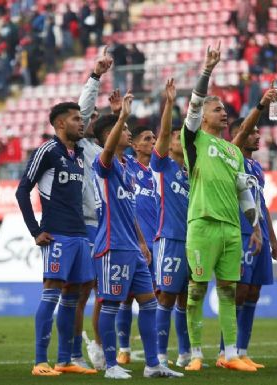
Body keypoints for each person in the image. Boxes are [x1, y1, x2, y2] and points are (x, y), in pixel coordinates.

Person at [180, 42, 261, 372]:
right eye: (218, 109)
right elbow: (195, 104)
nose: (224, 113)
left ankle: (230, 355)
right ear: (203, 117)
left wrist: (254, 225)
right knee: (197, 290)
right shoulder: (194, 139)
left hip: (231, 229)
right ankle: (195, 353)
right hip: (202, 222)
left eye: (225, 110)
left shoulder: (234, 152)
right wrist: (207, 70)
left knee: (228, 291)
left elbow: (244, 192)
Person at [91, 93, 181, 379]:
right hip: (112, 244)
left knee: (149, 303)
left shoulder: (129, 167)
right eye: (125, 130)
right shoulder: (103, 163)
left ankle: (153, 364)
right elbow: (107, 151)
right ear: (110, 135)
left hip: (133, 245)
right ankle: (110, 365)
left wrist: (142, 241)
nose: (129, 134)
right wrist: (121, 117)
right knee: (112, 303)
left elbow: (130, 210)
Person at [15, 102, 97, 376]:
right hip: (57, 234)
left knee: (72, 297)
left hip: (79, 233)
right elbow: (22, 191)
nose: (81, 123)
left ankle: (65, 360)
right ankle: (40, 361)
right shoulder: (47, 151)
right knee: (51, 293)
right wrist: (35, 230)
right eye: (76, 119)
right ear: (60, 123)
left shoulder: (80, 153)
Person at [217, 89, 277, 369]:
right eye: (253, 132)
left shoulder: (257, 168)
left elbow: (262, 204)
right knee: (239, 292)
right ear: (241, 136)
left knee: (254, 293)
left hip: (260, 235)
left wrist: (274, 240)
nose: (258, 136)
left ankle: (242, 351)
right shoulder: (231, 159)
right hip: (240, 234)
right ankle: (225, 352)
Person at [75, 46, 113, 371]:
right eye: (87, 118)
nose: (90, 120)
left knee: (104, 291)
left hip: (105, 226)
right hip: (82, 225)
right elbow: (83, 111)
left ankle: (100, 345)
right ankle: (74, 351)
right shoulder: (76, 147)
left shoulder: (101, 152)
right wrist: (96, 76)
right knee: (82, 290)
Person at [151, 79, 192, 368]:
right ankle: (161, 354)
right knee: (166, 295)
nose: (176, 138)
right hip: (169, 237)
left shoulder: (194, 173)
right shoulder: (163, 165)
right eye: (174, 137)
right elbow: (164, 132)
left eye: (181, 137)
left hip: (194, 240)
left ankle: (187, 353)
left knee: (185, 297)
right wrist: (169, 103)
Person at [114, 124, 158, 365]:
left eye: (154, 138)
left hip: (157, 244)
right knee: (126, 299)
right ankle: (124, 349)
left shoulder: (160, 171)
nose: (152, 142)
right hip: (132, 243)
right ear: (135, 145)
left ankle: (157, 353)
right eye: (147, 138)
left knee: (152, 299)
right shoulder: (128, 165)